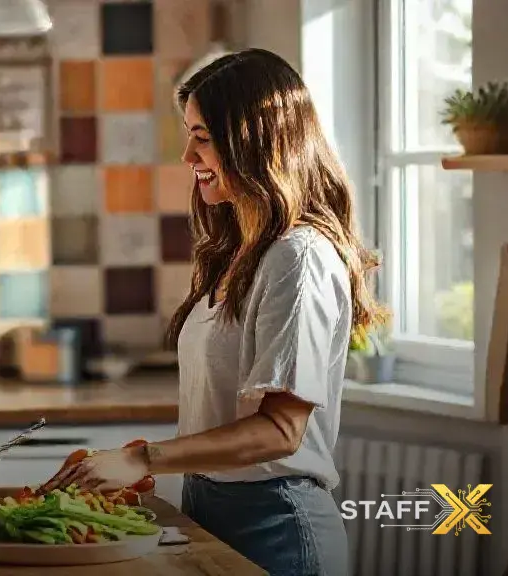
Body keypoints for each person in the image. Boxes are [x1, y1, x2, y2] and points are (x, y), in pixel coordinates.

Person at [38, 48, 384, 576]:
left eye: (201, 137)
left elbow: (280, 431)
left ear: (254, 141)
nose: (187, 156)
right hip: (206, 507)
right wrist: (133, 463)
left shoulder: (300, 257)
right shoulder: (242, 252)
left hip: (278, 527)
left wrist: (142, 458)